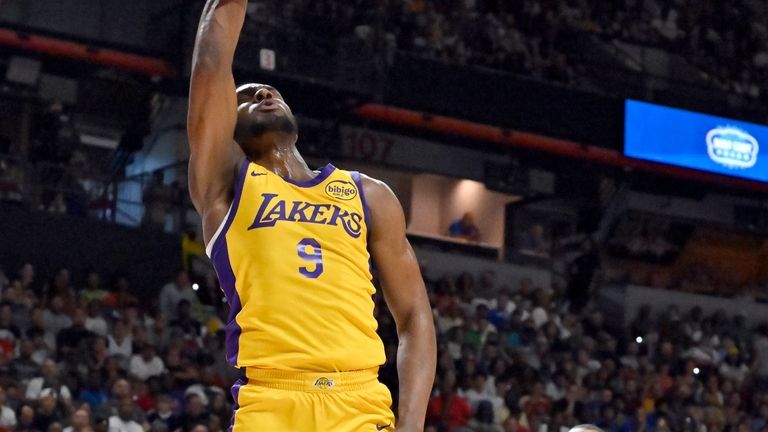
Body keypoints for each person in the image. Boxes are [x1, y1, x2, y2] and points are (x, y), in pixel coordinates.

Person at [187, 1, 436, 431]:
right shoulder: (226, 186)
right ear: (226, 125)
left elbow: (414, 316)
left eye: (270, 92)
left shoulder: (369, 195)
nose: (262, 94)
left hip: (360, 401)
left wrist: (410, 425)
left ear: (296, 125)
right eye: (245, 97)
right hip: (272, 400)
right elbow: (212, 64)